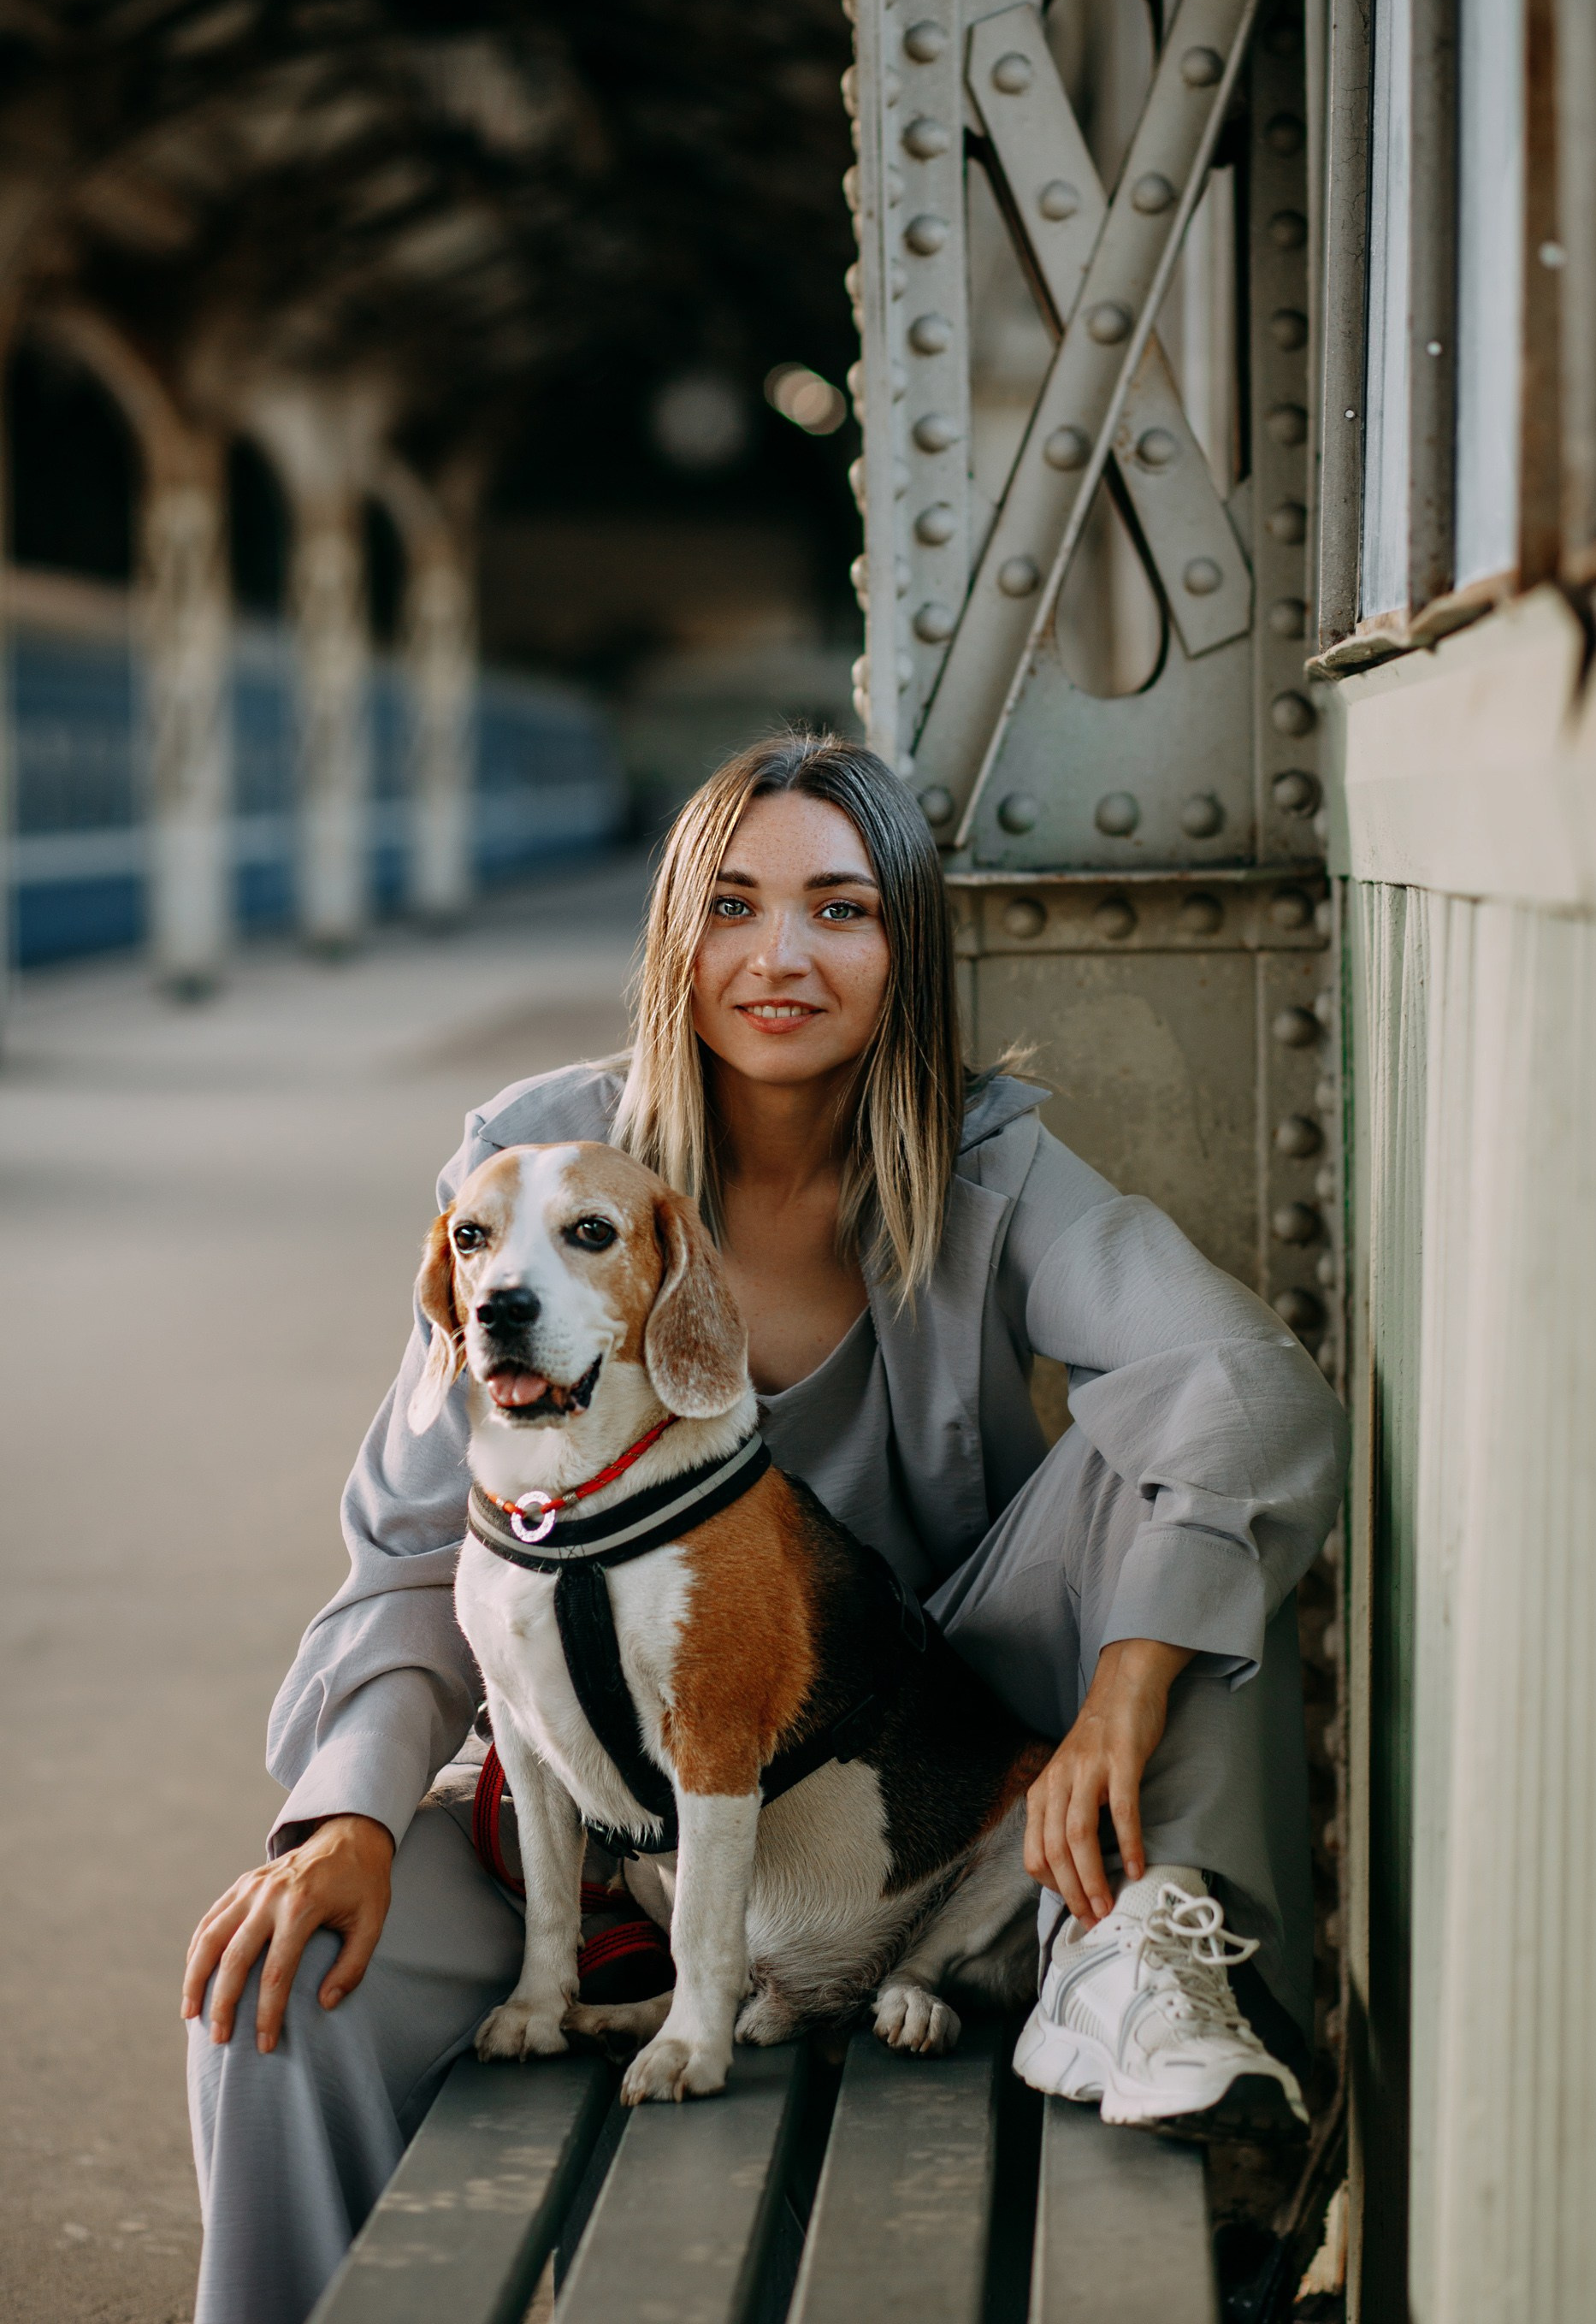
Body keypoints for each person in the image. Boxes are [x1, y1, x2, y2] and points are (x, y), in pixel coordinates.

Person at [183, 732, 1345, 2324]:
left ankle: (1138, 1956)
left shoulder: (989, 1164)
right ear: (676, 936)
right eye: (730, 905)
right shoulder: (537, 1162)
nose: (779, 957)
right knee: (271, 1998)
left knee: (1183, 1459)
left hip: (925, 1774)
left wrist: (1128, 1681)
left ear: (904, 946)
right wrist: (348, 1818)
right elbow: (410, 1550)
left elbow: (1246, 1386)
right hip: (599, 1801)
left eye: (838, 910)